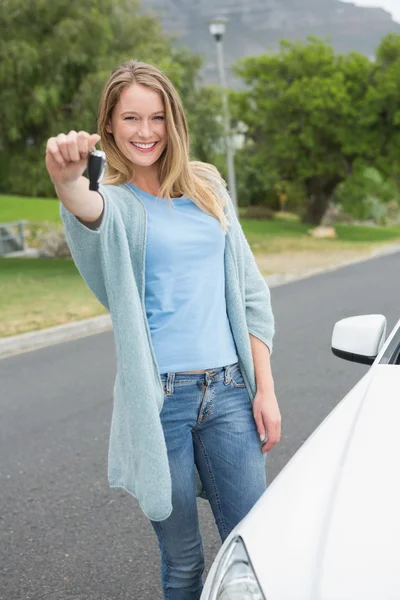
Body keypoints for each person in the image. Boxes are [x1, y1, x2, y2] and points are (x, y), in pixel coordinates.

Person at [45, 59, 281, 600]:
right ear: (110, 126)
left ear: (173, 121)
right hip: (161, 403)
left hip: (228, 393)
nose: (145, 132)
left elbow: (250, 295)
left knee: (258, 544)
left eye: (156, 117)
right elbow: (89, 210)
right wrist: (67, 181)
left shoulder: (208, 188)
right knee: (182, 563)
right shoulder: (117, 202)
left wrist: (263, 390)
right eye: (130, 118)